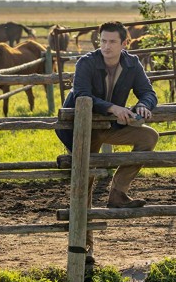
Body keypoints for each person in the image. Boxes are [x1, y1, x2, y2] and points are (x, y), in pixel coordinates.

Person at [55, 21, 158, 263]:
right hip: (82, 129)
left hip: (110, 127)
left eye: (112, 42)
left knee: (148, 137)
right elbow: (81, 94)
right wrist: (112, 108)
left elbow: (149, 92)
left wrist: (144, 105)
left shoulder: (132, 64)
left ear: (124, 44)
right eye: (102, 41)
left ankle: (118, 193)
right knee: (85, 182)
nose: (106, 46)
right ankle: (84, 248)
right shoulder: (87, 63)